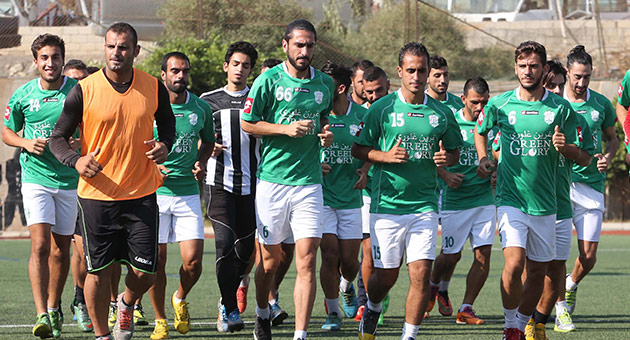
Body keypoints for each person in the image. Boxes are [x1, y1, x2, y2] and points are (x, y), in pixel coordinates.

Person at [49, 22, 175, 340]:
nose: (116, 53)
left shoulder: (153, 86)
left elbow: (168, 125)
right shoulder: (85, 89)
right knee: (98, 270)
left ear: (135, 50)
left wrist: (165, 146)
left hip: (141, 191)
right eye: (110, 46)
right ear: (104, 48)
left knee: (147, 270)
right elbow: (57, 138)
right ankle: (103, 335)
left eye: (122, 47)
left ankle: (126, 303)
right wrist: (76, 160)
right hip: (96, 195)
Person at [474, 41, 585, 340]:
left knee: (539, 271)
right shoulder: (500, 104)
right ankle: (511, 324)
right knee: (513, 263)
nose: (527, 71)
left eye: (534, 65)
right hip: (512, 199)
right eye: (522, 66)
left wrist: (567, 148)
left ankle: (523, 322)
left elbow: (578, 151)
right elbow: (480, 130)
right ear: (515, 68)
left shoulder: (560, 107)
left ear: (544, 68)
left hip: (547, 204)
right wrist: (484, 158)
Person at [352, 42, 462, 340]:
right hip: (387, 205)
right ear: (399, 71)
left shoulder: (441, 112)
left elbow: (453, 151)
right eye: (410, 70)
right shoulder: (381, 109)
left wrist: (446, 160)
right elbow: (358, 148)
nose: (416, 76)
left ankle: (409, 335)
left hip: (425, 205)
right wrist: (383, 156)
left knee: (421, 273)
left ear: (428, 72)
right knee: (386, 276)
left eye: (422, 70)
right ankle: (373, 306)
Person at [241, 19, 335, 340]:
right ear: (285, 45)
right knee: (270, 262)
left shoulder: (324, 84)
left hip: (309, 185)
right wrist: (284, 129)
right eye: (299, 44)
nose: (304, 51)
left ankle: (300, 334)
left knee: (307, 259)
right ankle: (262, 312)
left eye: (309, 45)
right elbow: (248, 123)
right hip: (272, 183)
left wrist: (325, 134)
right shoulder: (267, 80)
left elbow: (323, 119)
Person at [2, 33, 79, 339]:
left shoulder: (78, 92)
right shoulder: (23, 95)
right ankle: (41, 314)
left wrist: (80, 142)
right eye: (44, 57)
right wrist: (24, 142)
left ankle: (55, 304)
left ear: (63, 59)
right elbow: (7, 131)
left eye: (55, 57)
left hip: (69, 180)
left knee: (60, 252)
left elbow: (95, 127)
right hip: (35, 178)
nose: (50, 63)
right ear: (36, 62)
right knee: (40, 245)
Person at [523, 58, 594, 340]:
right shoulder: (519, 110)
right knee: (527, 267)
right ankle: (520, 321)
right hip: (525, 203)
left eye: (559, 86)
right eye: (550, 85)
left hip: (559, 204)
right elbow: (497, 148)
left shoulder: (569, 117)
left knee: (555, 272)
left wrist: (569, 150)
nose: (554, 90)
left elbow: (587, 157)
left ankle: (539, 322)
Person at [148, 51, 214, 340]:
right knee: (156, 261)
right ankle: (160, 319)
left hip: (187, 193)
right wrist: (151, 165)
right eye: (174, 71)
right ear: (163, 75)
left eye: (184, 71)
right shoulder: (149, 107)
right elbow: (134, 143)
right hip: (154, 193)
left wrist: (202, 160)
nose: (180, 76)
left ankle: (180, 298)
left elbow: (209, 141)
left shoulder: (200, 108)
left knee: (194, 262)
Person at [200, 41, 259, 333]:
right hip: (219, 183)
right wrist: (204, 147)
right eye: (235, 63)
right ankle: (229, 307)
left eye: (245, 65)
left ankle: (231, 295)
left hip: (254, 185)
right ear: (226, 66)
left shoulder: (259, 99)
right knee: (223, 244)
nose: (239, 69)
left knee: (246, 249)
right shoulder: (207, 100)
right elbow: (193, 135)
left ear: (252, 70)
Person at [559, 45, 618, 325]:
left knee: (589, 257)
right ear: (567, 73)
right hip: (559, 184)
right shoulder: (554, 103)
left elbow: (612, 138)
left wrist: (607, 157)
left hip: (591, 185)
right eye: (577, 76)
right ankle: (556, 307)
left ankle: (570, 285)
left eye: (587, 77)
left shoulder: (601, 104)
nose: (582, 83)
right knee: (553, 254)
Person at [431, 77, 496, 325]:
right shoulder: (450, 121)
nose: (480, 108)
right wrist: (445, 175)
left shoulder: (493, 125)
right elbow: (431, 155)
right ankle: (434, 287)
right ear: (463, 100)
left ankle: (466, 308)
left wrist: (494, 171)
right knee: (450, 256)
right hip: (454, 199)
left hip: (483, 199)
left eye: (484, 102)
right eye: (475, 102)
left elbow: (499, 154)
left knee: (483, 255)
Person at [235, 56, 287, 322]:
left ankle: (270, 296)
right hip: (249, 181)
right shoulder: (253, 105)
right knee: (254, 247)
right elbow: (247, 126)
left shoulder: (289, 104)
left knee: (284, 251)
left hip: (282, 181)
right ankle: (255, 292)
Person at [318, 61, 368, 330]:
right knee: (329, 255)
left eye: (325, 85)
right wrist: (316, 163)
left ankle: (346, 285)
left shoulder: (361, 115)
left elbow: (375, 146)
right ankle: (333, 313)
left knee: (349, 262)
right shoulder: (316, 116)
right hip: (322, 197)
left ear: (339, 88)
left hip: (351, 199)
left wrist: (365, 168)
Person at [353, 65, 390, 324]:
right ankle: (366, 302)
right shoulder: (362, 115)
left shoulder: (398, 110)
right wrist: (364, 170)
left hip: (395, 193)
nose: (374, 96)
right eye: (369, 92)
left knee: (386, 256)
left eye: (379, 91)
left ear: (388, 86)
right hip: (367, 192)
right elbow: (361, 148)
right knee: (367, 250)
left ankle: (377, 293)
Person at [63, 58, 94, 333]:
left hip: (93, 187)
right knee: (76, 250)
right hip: (64, 186)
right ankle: (76, 298)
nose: (77, 83)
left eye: (81, 78)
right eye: (72, 78)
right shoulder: (62, 106)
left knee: (88, 250)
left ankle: (84, 298)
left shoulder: (94, 101)